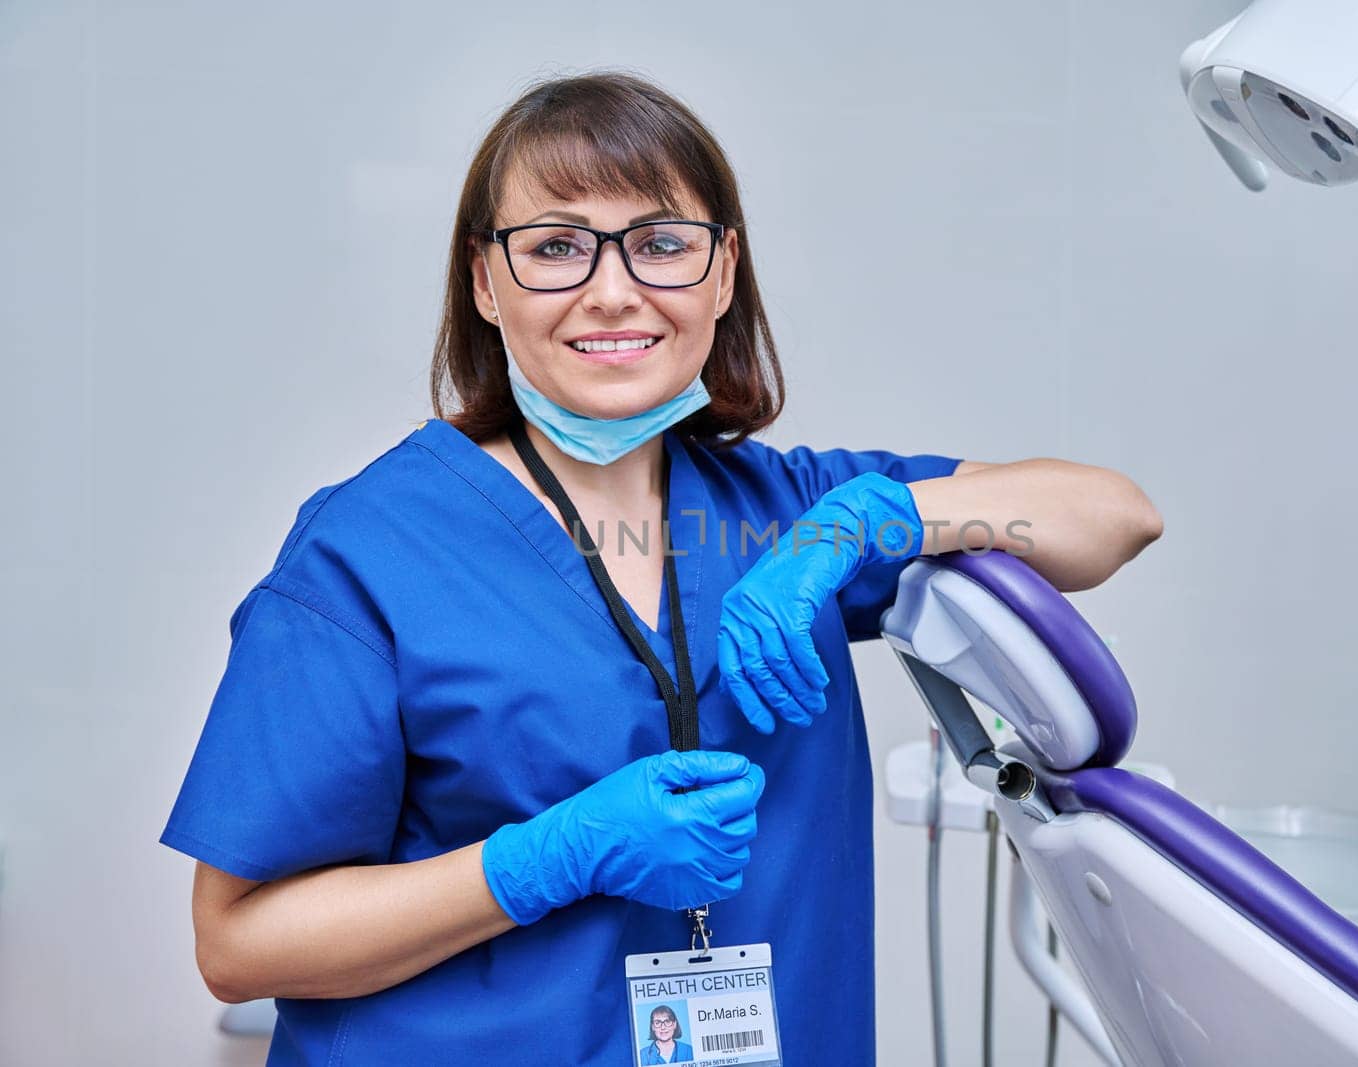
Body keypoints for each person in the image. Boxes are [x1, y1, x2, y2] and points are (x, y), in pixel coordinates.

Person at [160, 71, 1163, 1064]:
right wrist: (542, 859)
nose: (611, 290)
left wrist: (869, 519)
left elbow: (1113, 516)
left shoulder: (785, 510)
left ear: (722, 273)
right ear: (483, 280)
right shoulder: (367, 549)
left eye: (661, 244)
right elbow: (238, 941)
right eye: (555, 246)